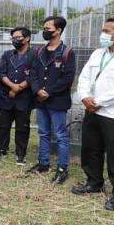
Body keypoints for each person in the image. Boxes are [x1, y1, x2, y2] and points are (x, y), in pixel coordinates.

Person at [27, 16, 76, 184]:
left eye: (48, 28)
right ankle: (43, 163)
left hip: (57, 101)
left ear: (58, 30)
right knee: (43, 133)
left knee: (61, 135)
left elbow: (68, 78)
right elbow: (33, 73)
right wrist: (37, 90)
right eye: (44, 28)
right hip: (41, 100)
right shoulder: (39, 51)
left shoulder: (67, 52)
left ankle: (62, 169)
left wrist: (48, 91)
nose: (45, 31)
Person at [73, 18, 114, 211]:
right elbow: (84, 77)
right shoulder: (98, 53)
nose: (103, 34)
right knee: (91, 148)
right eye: (103, 30)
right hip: (91, 110)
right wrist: (85, 97)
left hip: (110, 112)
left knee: (113, 154)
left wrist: (98, 102)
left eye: (107, 31)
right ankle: (94, 182)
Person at [0, 27, 34, 165]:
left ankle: (21, 153)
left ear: (27, 38)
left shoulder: (35, 55)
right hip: (5, 96)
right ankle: (1, 149)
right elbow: (0, 73)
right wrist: (12, 86)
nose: (15, 40)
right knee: (3, 125)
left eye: (18, 37)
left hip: (24, 97)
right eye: (13, 37)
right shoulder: (7, 54)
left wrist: (18, 88)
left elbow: (34, 75)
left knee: (22, 127)